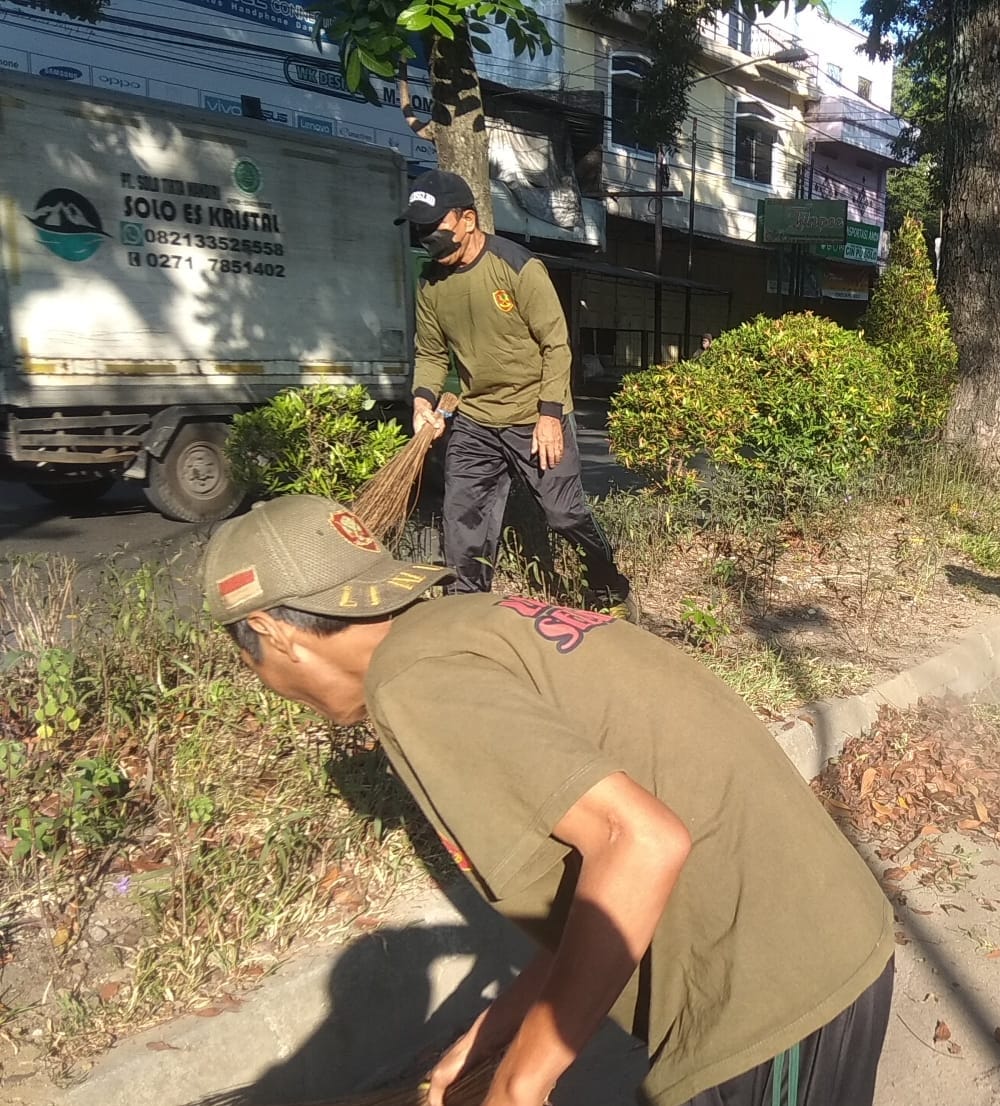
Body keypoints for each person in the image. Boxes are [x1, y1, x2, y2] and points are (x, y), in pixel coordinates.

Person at [200, 496, 895, 1106]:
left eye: (244, 658)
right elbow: (593, 877)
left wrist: (519, 1084)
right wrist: (500, 1028)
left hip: (775, 998)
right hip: (817, 947)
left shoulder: (413, 681)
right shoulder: (465, 625)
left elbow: (641, 843)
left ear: (272, 632)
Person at [397, 170, 630, 607]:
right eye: (419, 229)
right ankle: (467, 610)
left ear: (468, 219)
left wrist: (549, 416)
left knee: (564, 515)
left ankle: (607, 581)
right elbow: (430, 353)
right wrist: (422, 400)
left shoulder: (518, 267)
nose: (427, 236)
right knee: (462, 519)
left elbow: (556, 345)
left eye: (434, 226)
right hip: (476, 421)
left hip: (534, 414)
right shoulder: (431, 283)